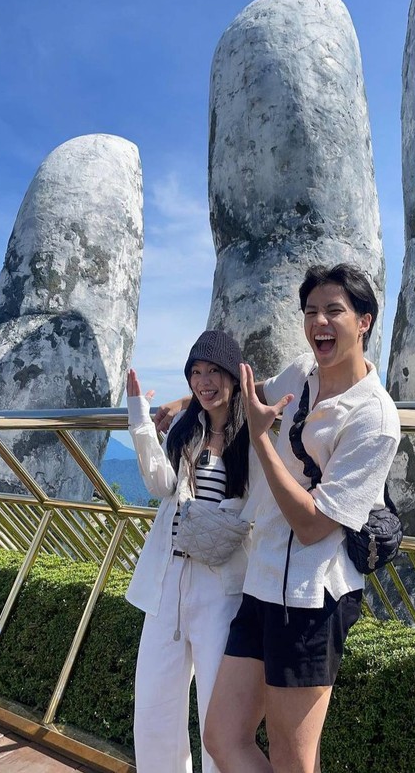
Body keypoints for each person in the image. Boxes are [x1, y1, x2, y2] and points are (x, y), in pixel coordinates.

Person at [197, 263, 400, 773]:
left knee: (293, 759)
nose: (319, 323)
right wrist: (184, 403)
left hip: (312, 598)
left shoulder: (374, 418)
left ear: (364, 321)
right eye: (311, 312)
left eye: (334, 310)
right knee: (222, 736)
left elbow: (312, 526)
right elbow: (255, 393)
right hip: (263, 581)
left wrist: (261, 439)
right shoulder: (301, 375)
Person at [125, 330, 252, 773]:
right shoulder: (185, 429)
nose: (204, 381)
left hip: (220, 584)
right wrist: (140, 419)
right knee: (154, 704)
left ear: (234, 376)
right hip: (168, 578)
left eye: (214, 371)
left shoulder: (251, 434)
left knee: (217, 708)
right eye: (195, 373)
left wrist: (217, 518)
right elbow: (160, 484)